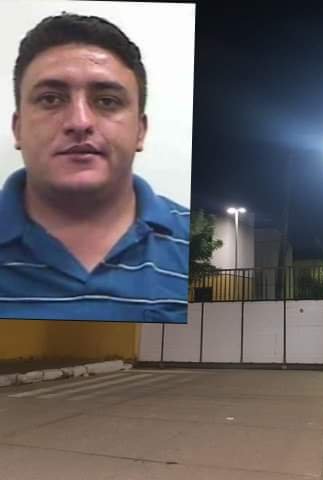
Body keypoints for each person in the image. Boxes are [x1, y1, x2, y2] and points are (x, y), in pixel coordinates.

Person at [0, 13, 190, 323]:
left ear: (140, 131)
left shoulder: (193, 242)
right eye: (50, 99)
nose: (80, 122)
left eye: (107, 101)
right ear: (18, 129)